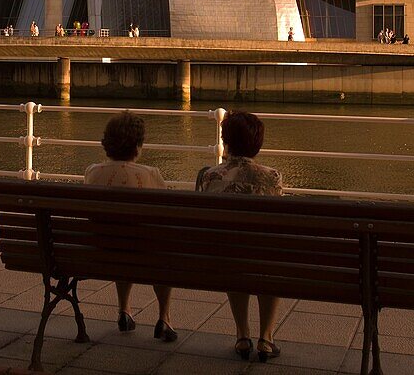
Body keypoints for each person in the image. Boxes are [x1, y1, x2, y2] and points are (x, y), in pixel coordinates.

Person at [197, 112, 283, 362]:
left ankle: (242, 335)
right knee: (268, 261)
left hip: (223, 258)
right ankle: (266, 338)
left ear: (225, 141)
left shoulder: (209, 176)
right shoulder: (272, 176)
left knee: (233, 254)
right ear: (258, 144)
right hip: (261, 258)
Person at [84, 113, 176, 342]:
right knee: (159, 246)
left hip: (101, 252)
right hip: (144, 254)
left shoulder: (92, 172)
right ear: (137, 146)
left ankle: (124, 310)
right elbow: (165, 217)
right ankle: (164, 318)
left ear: (107, 143)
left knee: (119, 235)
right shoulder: (150, 174)